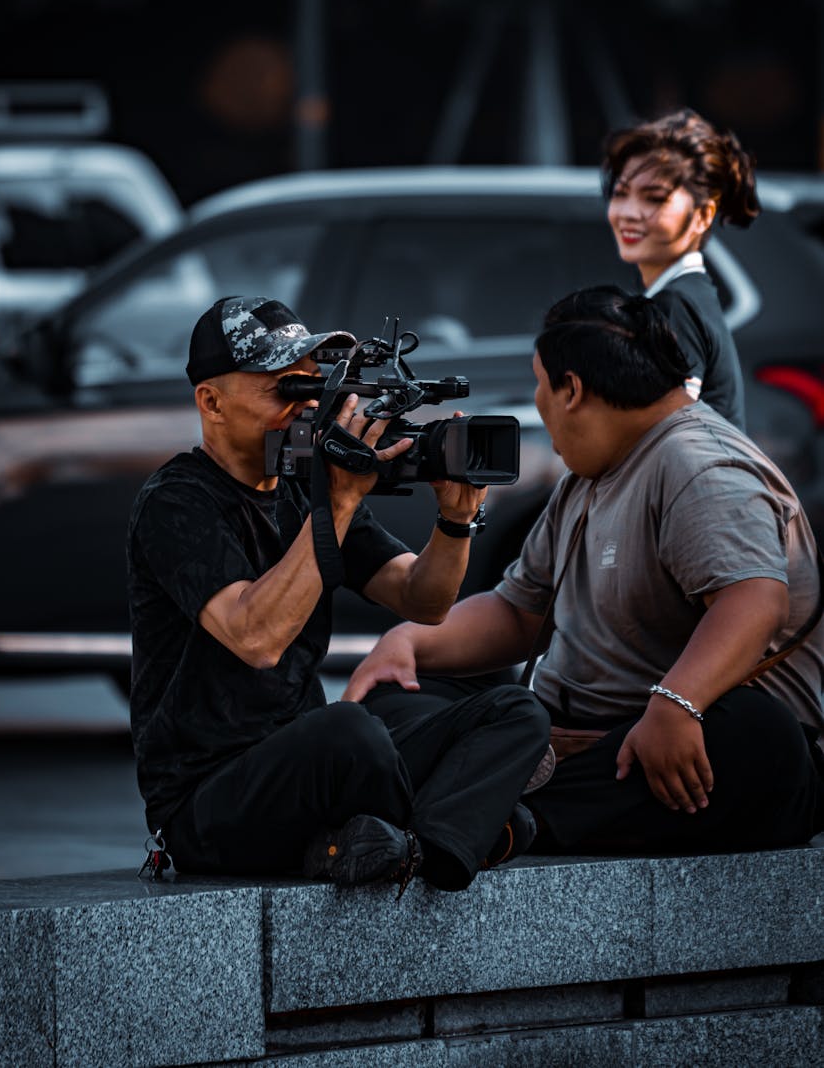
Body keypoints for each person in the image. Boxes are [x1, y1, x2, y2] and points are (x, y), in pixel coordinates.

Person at [345, 287, 824, 855]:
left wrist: (677, 704)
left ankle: (505, 821)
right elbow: (520, 612)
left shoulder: (700, 465)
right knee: (401, 693)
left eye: (540, 386)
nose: (538, 403)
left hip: (662, 750)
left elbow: (754, 601)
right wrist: (409, 643)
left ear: (571, 389)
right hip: (556, 744)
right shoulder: (589, 473)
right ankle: (475, 803)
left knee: (756, 737)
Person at [127, 294, 550, 893]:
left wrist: (454, 523)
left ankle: (420, 847)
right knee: (349, 731)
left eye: (313, 388)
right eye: (285, 392)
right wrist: (342, 500)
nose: (307, 409)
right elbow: (257, 638)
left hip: (312, 769)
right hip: (209, 799)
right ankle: (470, 830)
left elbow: (422, 600)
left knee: (512, 708)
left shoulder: (305, 488)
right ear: (211, 402)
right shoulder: (177, 500)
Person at [603, 107, 760, 429]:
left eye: (655, 199)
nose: (629, 212)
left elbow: (669, 436)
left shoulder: (675, 305)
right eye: (621, 194)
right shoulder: (688, 295)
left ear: (702, 216)